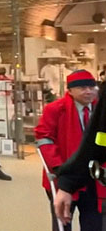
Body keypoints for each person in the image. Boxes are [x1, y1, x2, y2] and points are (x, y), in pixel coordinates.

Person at [36, 70, 103, 231]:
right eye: (82, 88)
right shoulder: (55, 109)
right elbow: (44, 138)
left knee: (94, 222)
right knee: (62, 222)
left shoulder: (100, 110)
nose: (88, 91)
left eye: (91, 87)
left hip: (93, 178)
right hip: (63, 176)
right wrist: (60, 169)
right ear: (70, 90)